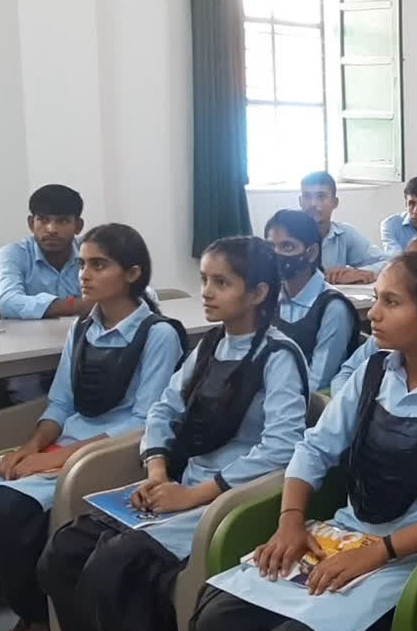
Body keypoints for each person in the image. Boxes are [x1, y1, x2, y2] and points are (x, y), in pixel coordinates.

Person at [191, 251, 417, 631]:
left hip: (407, 560)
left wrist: (381, 551)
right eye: (377, 298)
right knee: (217, 616)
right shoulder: (373, 371)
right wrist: (291, 522)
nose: (374, 314)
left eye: (391, 302)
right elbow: (315, 447)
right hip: (343, 538)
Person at [37, 236, 309, 631]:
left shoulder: (279, 357)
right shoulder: (210, 345)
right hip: (181, 487)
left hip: (229, 499)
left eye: (221, 283)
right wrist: (157, 474)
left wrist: (195, 495)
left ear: (258, 293)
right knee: (63, 551)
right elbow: (164, 410)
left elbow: (282, 448)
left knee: (114, 567)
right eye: (204, 280)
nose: (207, 293)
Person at [0, 223, 185, 631]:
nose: (84, 275)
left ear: (133, 273)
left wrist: (59, 460)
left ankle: (36, 616)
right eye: (83, 264)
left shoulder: (158, 334)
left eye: (99, 265)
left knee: (9, 510)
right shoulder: (82, 327)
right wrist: (29, 449)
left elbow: (143, 422)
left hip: (106, 456)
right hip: (65, 448)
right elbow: (60, 404)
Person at [328, 231, 417, 396]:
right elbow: (346, 374)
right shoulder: (384, 342)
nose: (372, 314)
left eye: (391, 302)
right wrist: (355, 405)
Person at [265, 209, 361, 392]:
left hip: (305, 402)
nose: (276, 254)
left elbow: (317, 382)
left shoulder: (333, 308)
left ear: (311, 253)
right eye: (270, 247)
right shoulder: (270, 296)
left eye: (287, 247)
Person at [0, 183, 90, 319]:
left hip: (84, 332)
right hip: (29, 334)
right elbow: (6, 302)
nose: (51, 229)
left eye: (62, 221)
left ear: (78, 226)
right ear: (31, 223)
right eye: (43, 220)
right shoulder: (14, 253)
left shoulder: (91, 252)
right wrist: (74, 305)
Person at [299, 171, 387, 285]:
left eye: (321, 196)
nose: (313, 204)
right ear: (300, 201)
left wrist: (358, 273)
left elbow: (387, 263)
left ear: (335, 203)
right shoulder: (287, 235)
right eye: (307, 196)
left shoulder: (344, 234)